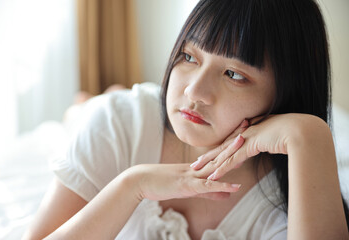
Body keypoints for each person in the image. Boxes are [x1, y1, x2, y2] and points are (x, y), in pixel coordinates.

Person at [23, 0, 349, 239]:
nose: (195, 91)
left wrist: (311, 134)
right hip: (123, 113)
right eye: (189, 57)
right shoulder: (120, 120)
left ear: (286, 93)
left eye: (234, 74)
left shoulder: (287, 197)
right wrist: (132, 185)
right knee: (89, 110)